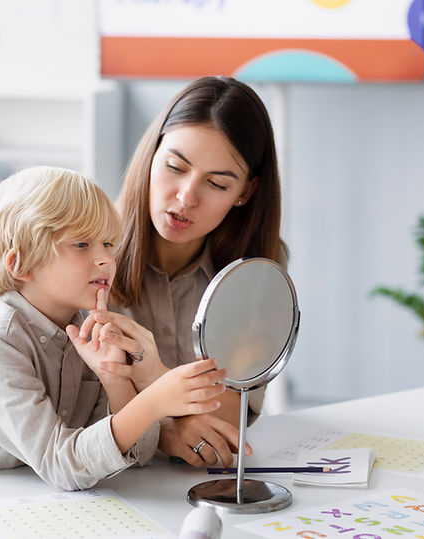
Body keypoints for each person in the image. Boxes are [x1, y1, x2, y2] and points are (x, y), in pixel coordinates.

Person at [0, 166, 227, 491]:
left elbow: (137, 453)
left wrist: (115, 379)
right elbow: (64, 465)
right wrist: (154, 401)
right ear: (22, 264)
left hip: (17, 495)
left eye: (108, 243)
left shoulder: (84, 329)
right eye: (82, 244)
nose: (105, 260)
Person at [89, 76, 287, 468]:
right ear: (152, 153)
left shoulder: (258, 271)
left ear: (245, 193)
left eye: (216, 183)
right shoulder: (86, 248)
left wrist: (154, 385)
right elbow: (68, 410)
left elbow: (235, 413)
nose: (185, 198)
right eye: (175, 166)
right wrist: (165, 431)